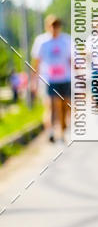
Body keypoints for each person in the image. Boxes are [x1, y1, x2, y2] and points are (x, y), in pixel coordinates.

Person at [31, 15, 72, 143]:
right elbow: (36, 62)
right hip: (49, 79)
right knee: (51, 106)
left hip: (65, 78)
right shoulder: (41, 41)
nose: (55, 28)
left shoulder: (66, 40)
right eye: (52, 25)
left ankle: (63, 129)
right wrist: (33, 81)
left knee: (65, 107)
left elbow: (72, 60)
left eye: (57, 25)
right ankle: (51, 132)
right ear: (47, 26)